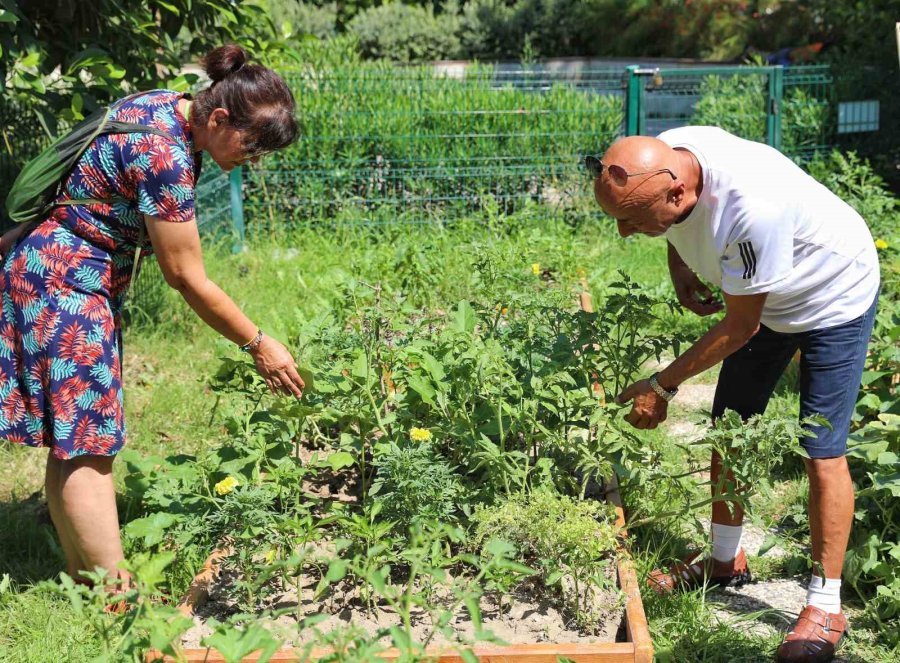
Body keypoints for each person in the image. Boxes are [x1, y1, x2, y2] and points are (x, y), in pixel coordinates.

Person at [0, 44, 306, 593]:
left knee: (74, 438)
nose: (252, 160)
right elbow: (186, 276)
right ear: (218, 119)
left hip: (50, 272)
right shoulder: (164, 154)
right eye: (251, 146)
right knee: (89, 443)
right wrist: (259, 343)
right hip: (65, 285)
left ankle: (84, 582)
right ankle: (116, 599)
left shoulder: (166, 104)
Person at [589, 127, 879, 663]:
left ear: (676, 194)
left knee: (822, 450)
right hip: (764, 295)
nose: (625, 234)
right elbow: (682, 230)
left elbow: (741, 325)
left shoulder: (753, 208)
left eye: (633, 219)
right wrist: (680, 265)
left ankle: (826, 605)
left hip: (832, 293)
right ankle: (726, 562)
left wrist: (661, 385)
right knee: (730, 428)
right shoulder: (674, 151)